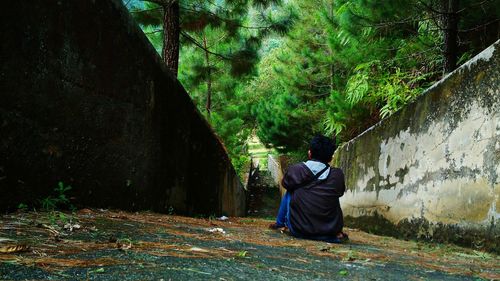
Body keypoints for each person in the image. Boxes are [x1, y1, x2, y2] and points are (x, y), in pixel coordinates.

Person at [270, 135, 347, 243]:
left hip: (299, 230)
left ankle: (280, 224)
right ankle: (334, 231)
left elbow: (285, 184)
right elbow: (340, 192)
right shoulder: (337, 175)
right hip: (329, 232)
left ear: (309, 153)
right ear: (330, 158)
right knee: (332, 193)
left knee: (290, 191)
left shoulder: (296, 170)